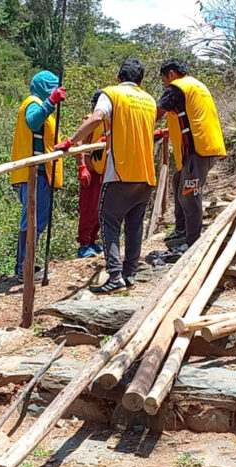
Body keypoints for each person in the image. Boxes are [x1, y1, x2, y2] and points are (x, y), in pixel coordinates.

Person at [56, 59, 158, 294]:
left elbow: (97, 117)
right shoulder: (150, 100)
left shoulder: (110, 94)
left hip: (119, 172)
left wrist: (70, 142)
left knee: (109, 221)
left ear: (118, 78)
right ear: (140, 81)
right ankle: (130, 274)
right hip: (146, 175)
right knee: (134, 226)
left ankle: (115, 276)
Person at [156, 58, 226, 251]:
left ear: (171, 74)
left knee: (189, 193)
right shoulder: (197, 86)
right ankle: (181, 229)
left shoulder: (177, 87)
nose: (165, 85)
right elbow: (189, 117)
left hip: (197, 149)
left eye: (164, 80)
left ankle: (192, 240)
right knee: (179, 180)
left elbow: (157, 113)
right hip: (208, 145)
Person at [10, 70, 66, 282]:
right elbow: (33, 121)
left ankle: (26, 263)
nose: (53, 91)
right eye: (51, 88)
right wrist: (51, 101)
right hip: (36, 173)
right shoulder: (33, 102)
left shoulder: (41, 105)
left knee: (35, 220)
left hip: (41, 173)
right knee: (32, 220)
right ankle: (24, 265)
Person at [75, 90, 107, 258]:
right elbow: (79, 143)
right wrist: (82, 167)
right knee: (88, 207)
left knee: (100, 208)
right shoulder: (89, 120)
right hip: (91, 171)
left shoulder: (108, 121)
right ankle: (84, 243)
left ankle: (93, 239)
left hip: (104, 171)